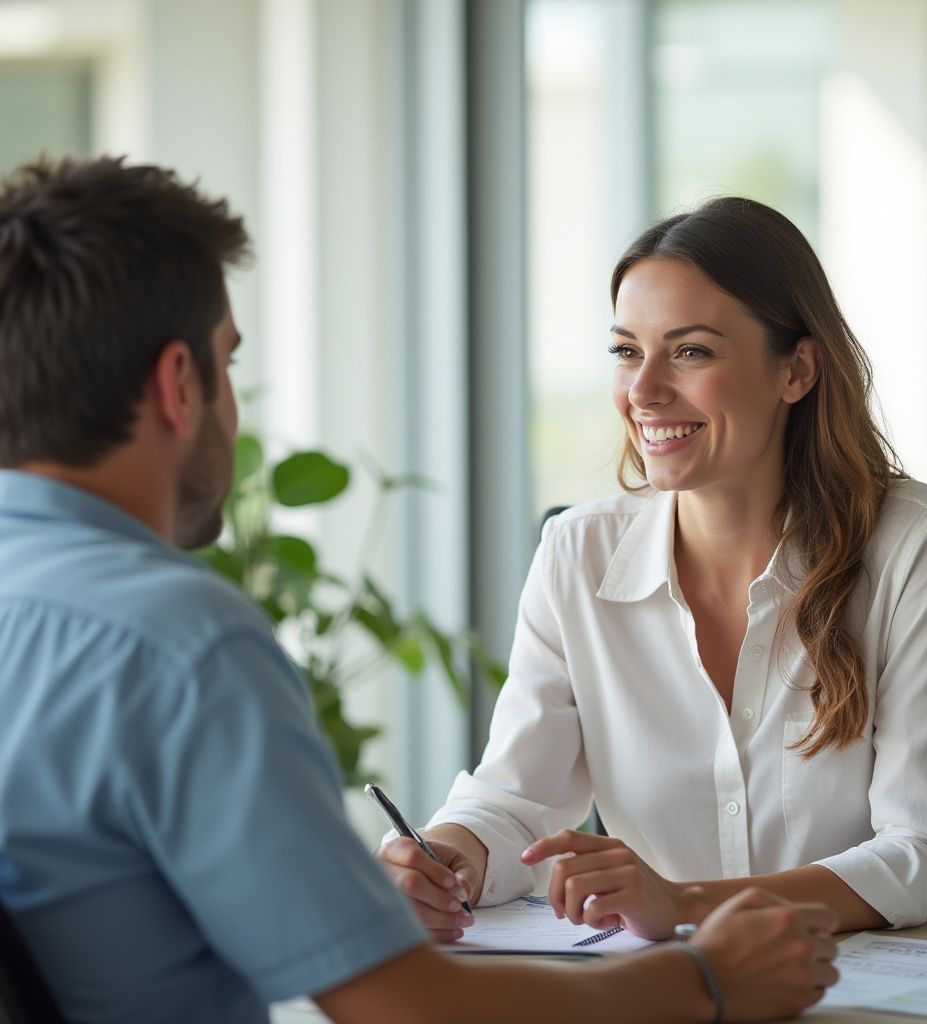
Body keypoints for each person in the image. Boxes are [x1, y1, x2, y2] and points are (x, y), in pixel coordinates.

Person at [0, 157, 838, 1024]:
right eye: (228, 364)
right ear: (180, 385)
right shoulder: (178, 648)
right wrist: (708, 981)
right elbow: (406, 1006)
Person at [377, 197, 927, 945]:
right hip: (673, 984)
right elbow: (514, 797)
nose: (643, 391)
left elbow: (923, 854)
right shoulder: (579, 554)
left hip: (876, 989)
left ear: (796, 369)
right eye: (627, 351)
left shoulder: (918, 544)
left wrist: (687, 902)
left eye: (691, 351)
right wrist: (449, 856)